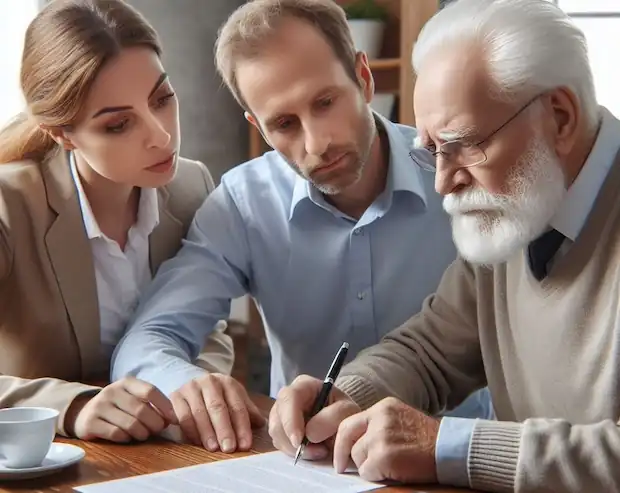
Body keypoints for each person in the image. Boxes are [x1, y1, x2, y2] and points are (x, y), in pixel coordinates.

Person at [111, 0, 494, 455]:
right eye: (285, 124)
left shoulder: (462, 177)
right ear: (259, 127)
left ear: (363, 78)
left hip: (451, 457)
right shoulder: (242, 203)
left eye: (325, 102)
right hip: (309, 465)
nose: (317, 143)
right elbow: (145, 341)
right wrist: (189, 384)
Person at [268, 0, 620, 492]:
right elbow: (432, 350)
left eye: (464, 144)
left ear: (559, 117)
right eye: (433, 151)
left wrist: (451, 448)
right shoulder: (520, 207)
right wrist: (342, 395)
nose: (443, 183)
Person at [0, 0, 234, 444]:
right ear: (62, 133)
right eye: (119, 124)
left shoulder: (190, 187)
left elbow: (206, 329)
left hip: (165, 454)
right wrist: (72, 406)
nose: (161, 135)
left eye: (162, 99)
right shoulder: (9, 206)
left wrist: (192, 388)